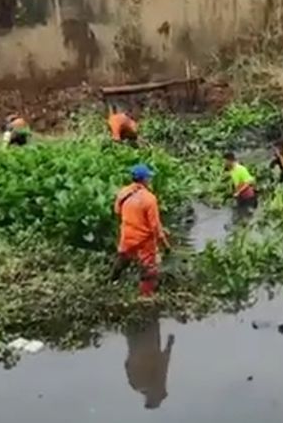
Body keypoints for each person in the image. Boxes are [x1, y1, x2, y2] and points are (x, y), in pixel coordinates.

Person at [112, 164, 170, 297]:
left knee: (123, 259)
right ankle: (146, 297)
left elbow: (117, 212)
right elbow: (155, 227)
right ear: (144, 180)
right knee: (149, 269)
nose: (150, 180)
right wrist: (166, 245)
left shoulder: (123, 193)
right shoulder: (149, 199)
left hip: (127, 235)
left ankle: (113, 281)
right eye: (149, 178)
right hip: (144, 240)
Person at [124, 319, 174, 410]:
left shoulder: (152, 384)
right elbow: (127, 364)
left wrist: (169, 345)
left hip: (147, 340)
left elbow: (162, 365)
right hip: (136, 341)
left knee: (148, 314)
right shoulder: (135, 385)